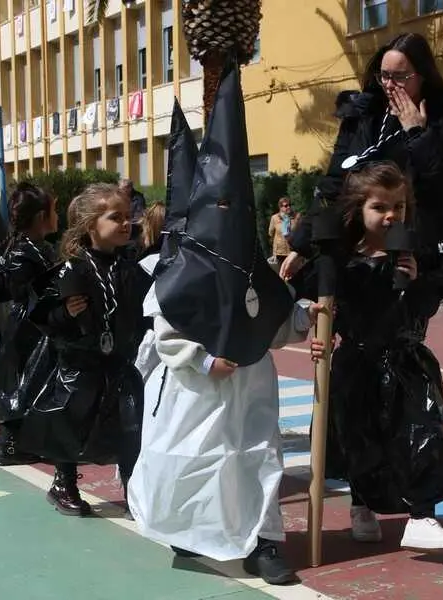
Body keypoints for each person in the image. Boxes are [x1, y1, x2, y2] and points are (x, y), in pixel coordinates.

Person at [127, 56, 308, 585]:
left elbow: (277, 317)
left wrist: (306, 317)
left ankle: (264, 541)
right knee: (195, 459)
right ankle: (192, 530)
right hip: (198, 389)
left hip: (250, 385)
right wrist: (205, 360)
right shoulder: (176, 271)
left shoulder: (252, 263)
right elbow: (166, 330)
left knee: (257, 458)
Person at [306, 161, 443, 553]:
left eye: (398, 206)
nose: (391, 214)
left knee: (422, 434)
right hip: (356, 365)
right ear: (358, 210)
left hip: (406, 365)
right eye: (379, 207)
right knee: (360, 440)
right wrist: (320, 339)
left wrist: (414, 283)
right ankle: (362, 506)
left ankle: (422, 515)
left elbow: (422, 310)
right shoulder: (341, 263)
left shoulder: (414, 258)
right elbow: (326, 313)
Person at [281, 32, 443, 279]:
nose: (389, 84)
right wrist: (301, 247)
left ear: (422, 76)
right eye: (384, 75)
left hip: (408, 252)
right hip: (353, 249)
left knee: (396, 314)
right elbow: (333, 184)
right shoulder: (362, 115)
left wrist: (417, 134)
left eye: (400, 76)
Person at [18, 183, 146, 517]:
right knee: (71, 423)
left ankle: (136, 487)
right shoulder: (72, 269)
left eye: (128, 217)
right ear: (91, 224)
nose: (125, 223)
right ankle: (64, 481)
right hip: (80, 364)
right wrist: (65, 314)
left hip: (118, 363)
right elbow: (42, 315)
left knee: (131, 424)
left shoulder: (131, 268)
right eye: (115, 217)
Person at [0, 183, 58, 465]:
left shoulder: (28, 248)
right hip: (28, 324)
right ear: (40, 217)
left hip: (28, 322)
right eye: (53, 210)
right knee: (24, 380)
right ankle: (11, 445)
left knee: (28, 379)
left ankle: (21, 442)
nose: (56, 215)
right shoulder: (24, 252)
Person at [268, 197, 298, 265]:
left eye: (290, 205)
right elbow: (271, 233)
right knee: (282, 272)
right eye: (286, 206)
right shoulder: (275, 218)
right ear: (280, 207)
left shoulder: (296, 217)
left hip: (293, 250)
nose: (288, 207)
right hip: (280, 251)